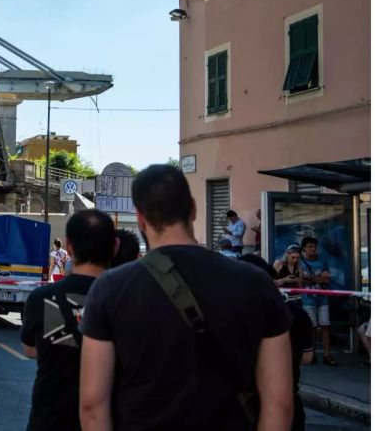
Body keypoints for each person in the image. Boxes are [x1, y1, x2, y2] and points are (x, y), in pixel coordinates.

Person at [79, 164, 293, 431]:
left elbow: (92, 405)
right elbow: (280, 403)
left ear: (140, 218)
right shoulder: (257, 282)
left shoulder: (109, 288)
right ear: (192, 209)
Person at [21, 209, 117, 431]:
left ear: (69, 246)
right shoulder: (128, 300)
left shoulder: (41, 297)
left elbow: (30, 349)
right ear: (115, 246)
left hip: (49, 421)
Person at [238, 254, 314, 431]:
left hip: (246, 404)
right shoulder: (298, 315)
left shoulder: (236, 316)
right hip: (291, 400)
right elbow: (307, 358)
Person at [299, 235, 337, 365]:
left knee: (325, 326)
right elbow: (300, 281)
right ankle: (312, 353)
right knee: (312, 327)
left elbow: (327, 278)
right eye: (310, 246)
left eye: (314, 246)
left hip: (322, 298)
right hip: (307, 299)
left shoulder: (322, 261)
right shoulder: (300, 262)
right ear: (304, 248)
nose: (313, 249)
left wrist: (310, 278)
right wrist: (317, 278)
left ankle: (327, 355)